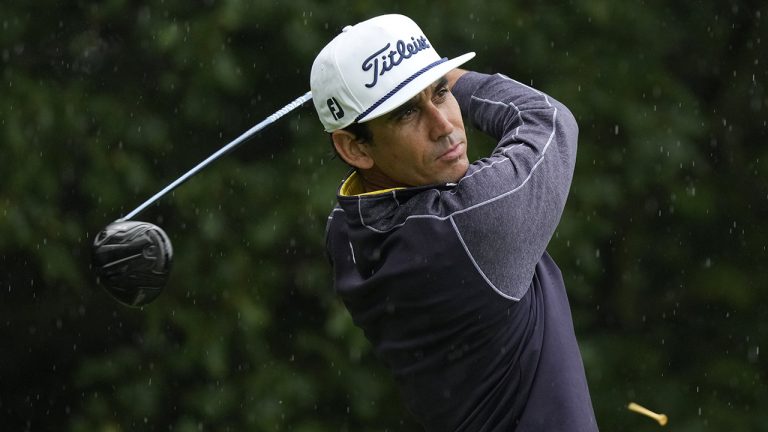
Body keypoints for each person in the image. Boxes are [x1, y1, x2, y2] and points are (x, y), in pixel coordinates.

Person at [310, 14, 598, 431]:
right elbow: (546, 119)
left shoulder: (346, 232)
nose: (444, 125)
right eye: (406, 113)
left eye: (440, 93)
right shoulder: (471, 226)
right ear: (354, 147)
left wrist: (405, 70)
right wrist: (446, 73)